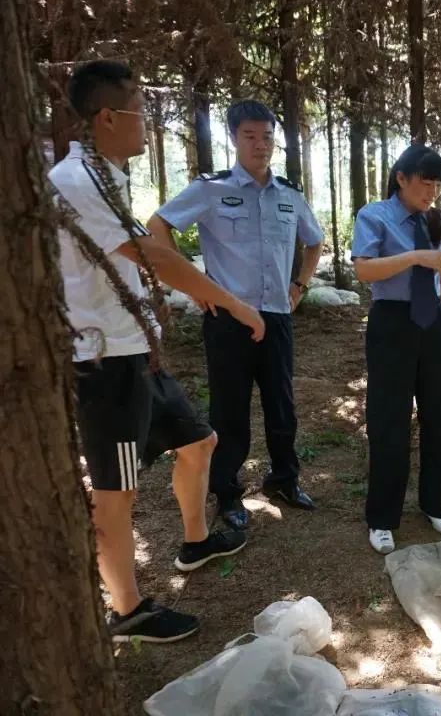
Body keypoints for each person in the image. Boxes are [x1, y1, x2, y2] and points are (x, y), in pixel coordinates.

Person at [53, 60, 260, 642]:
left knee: (199, 442)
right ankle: (128, 611)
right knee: (115, 490)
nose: (149, 123)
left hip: (136, 352)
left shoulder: (106, 175)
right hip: (104, 362)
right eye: (142, 111)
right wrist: (232, 304)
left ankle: (195, 542)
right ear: (108, 117)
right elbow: (154, 256)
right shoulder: (78, 179)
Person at [148, 100, 325, 530]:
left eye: (267, 137)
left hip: (277, 316)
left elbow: (314, 241)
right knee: (229, 411)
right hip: (228, 319)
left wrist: (299, 285)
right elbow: (158, 225)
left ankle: (283, 480)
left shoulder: (289, 195)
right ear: (234, 138)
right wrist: (194, 286)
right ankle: (227, 493)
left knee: (282, 406)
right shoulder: (212, 190)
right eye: (250, 136)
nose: (260, 145)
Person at [351, 144, 441, 555]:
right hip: (392, 323)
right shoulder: (374, 215)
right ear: (401, 178)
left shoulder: (437, 220)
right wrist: (415, 257)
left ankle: (434, 503)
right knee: (389, 420)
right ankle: (382, 517)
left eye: (436, 185)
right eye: (425, 183)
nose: (431, 192)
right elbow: (363, 269)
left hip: (434, 325)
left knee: (438, 416)